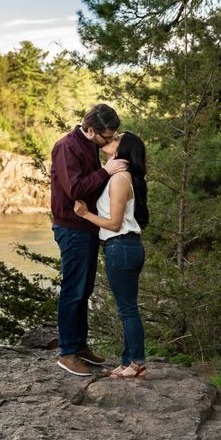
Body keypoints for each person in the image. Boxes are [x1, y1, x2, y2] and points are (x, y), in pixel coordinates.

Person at [50, 104, 129, 376]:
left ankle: (80, 346)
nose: (109, 142)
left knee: (84, 290)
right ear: (91, 129)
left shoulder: (89, 146)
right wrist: (107, 171)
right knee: (73, 289)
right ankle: (68, 353)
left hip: (86, 227)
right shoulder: (66, 147)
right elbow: (75, 189)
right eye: (106, 137)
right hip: (71, 228)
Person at [74, 131, 149, 379]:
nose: (110, 139)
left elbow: (115, 223)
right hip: (124, 247)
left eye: (116, 138)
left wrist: (85, 214)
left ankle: (136, 364)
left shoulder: (120, 179)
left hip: (121, 244)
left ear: (121, 150)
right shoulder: (118, 176)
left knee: (127, 309)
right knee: (126, 308)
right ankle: (129, 361)